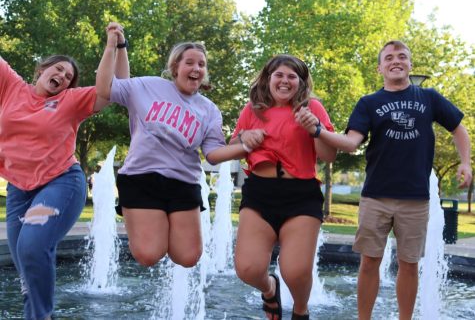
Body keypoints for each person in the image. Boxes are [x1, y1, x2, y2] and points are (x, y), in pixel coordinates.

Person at [316, 40, 472, 320]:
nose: (395, 61)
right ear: (380, 68)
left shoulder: (429, 98)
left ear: (410, 65)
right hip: (375, 196)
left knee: (409, 264)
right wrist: (317, 131)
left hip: (415, 199)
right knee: (368, 262)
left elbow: (459, 129)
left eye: (402, 56)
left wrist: (464, 162)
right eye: (389, 57)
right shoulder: (369, 103)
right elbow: (351, 143)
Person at [1, 23, 129, 320]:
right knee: (26, 269)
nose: (61, 76)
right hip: (19, 190)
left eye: (68, 77)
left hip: (60, 183)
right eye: (57, 69)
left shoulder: (70, 101)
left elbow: (119, 87)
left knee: (32, 247)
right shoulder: (11, 87)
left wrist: (115, 46)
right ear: (41, 69)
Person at [95, 31, 253, 269]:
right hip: (141, 178)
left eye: (201, 64)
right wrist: (112, 46)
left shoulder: (209, 110)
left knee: (188, 258)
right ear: (175, 67)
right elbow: (106, 87)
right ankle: (149, 232)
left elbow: (213, 153)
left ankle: (160, 229)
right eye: (189, 62)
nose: (196, 68)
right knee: (149, 255)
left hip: (183, 183)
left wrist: (245, 147)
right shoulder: (148, 86)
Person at [230, 54, 337, 320]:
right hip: (259, 193)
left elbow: (329, 155)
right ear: (268, 79)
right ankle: (269, 288)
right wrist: (244, 137)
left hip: (301, 195)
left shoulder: (312, 107)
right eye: (279, 75)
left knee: (295, 270)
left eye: (292, 76)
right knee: (247, 269)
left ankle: (300, 309)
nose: (285, 81)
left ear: (301, 82)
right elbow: (233, 148)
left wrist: (316, 129)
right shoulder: (252, 109)